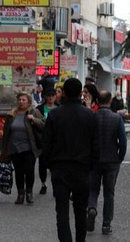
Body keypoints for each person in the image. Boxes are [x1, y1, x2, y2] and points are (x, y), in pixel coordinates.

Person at [44, 78, 99, 242]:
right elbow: (96, 145)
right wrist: (92, 167)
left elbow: (46, 143)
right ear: (81, 92)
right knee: (80, 210)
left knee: (62, 211)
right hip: (82, 169)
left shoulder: (54, 115)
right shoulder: (90, 115)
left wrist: (50, 165)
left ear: (65, 93)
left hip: (60, 168)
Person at [87, 90, 127, 235]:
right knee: (109, 193)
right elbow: (122, 142)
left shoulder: (92, 116)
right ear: (110, 101)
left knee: (93, 190)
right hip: (111, 160)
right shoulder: (117, 118)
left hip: (94, 160)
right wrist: (119, 158)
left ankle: (91, 208)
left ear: (97, 101)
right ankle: (106, 224)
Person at [0, 92, 44, 204]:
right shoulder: (12, 114)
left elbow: (44, 124)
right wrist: (4, 149)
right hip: (14, 148)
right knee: (18, 172)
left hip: (29, 147)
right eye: (19, 100)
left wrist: (34, 119)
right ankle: (20, 194)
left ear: (28, 102)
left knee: (29, 170)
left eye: (24, 100)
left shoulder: (34, 112)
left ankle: (29, 193)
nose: (21, 102)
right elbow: (6, 131)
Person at [36, 88, 59, 194]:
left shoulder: (59, 108)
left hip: (56, 141)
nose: (50, 98)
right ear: (45, 97)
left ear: (55, 97)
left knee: (55, 165)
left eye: (52, 95)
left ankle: (56, 185)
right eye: (48, 96)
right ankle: (43, 183)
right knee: (42, 164)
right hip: (43, 140)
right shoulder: (39, 109)